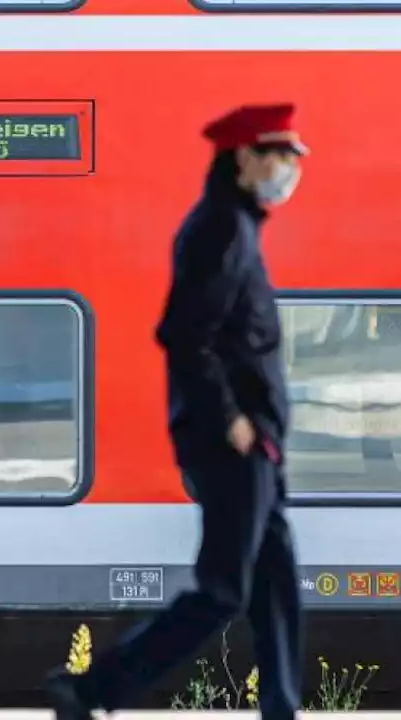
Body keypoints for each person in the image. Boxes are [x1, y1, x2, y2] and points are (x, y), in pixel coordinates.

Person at [44, 103, 309, 720]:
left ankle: (282, 705)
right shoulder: (220, 229)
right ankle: (91, 690)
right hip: (233, 442)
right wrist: (231, 420)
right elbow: (185, 334)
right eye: (281, 156)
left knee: (275, 583)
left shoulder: (236, 224)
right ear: (244, 157)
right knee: (223, 590)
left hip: (255, 442)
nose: (290, 170)